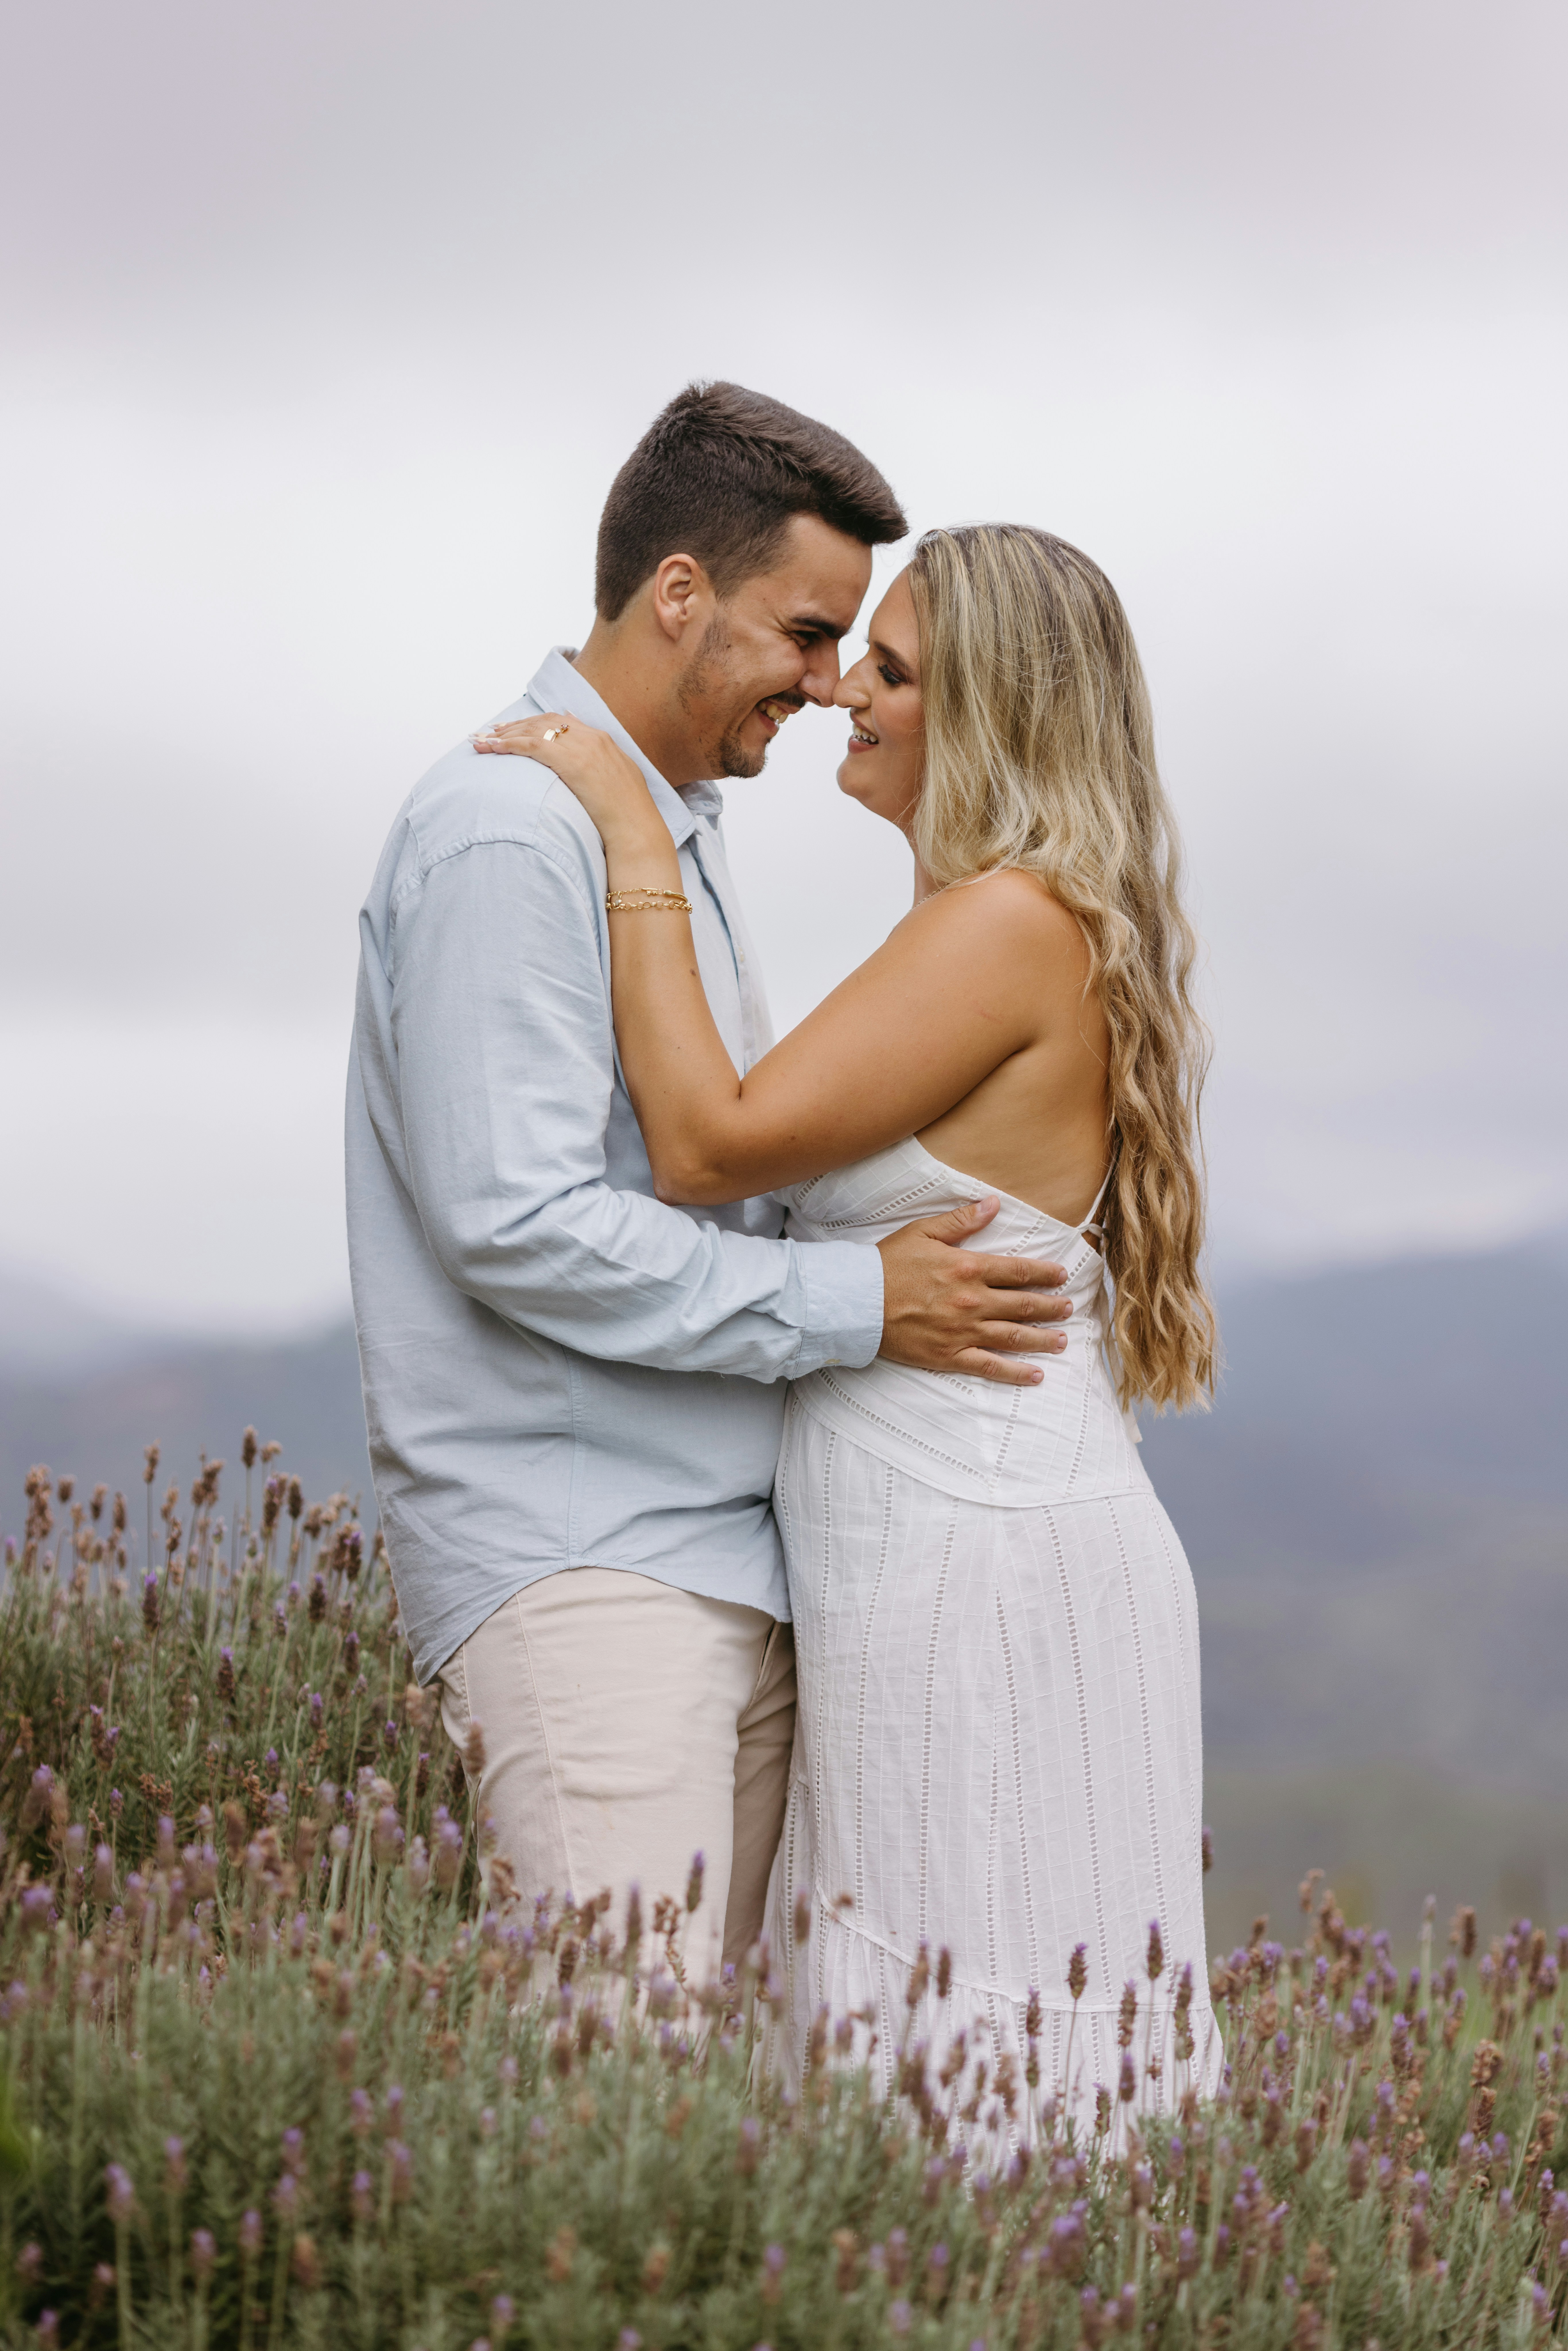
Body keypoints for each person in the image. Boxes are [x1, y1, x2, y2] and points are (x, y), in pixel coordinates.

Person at [476, 520, 1222, 2124]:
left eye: (890, 672)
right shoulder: (1004, 923)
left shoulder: (1005, 926)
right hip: (943, 1551)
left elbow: (707, 1144)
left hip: (980, 1564)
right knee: (931, 2054)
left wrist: (625, 815)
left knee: (979, 2052)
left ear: (992, 715)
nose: (843, 696)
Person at [346, 388, 1075, 1982]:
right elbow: (517, 1223)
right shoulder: (508, 831)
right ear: (678, 593)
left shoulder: (662, 826)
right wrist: (857, 1304)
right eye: (809, 636)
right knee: (613, 2081)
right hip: (588, 1572)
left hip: (713, 1562)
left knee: (697, 2116)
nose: (827, 687)